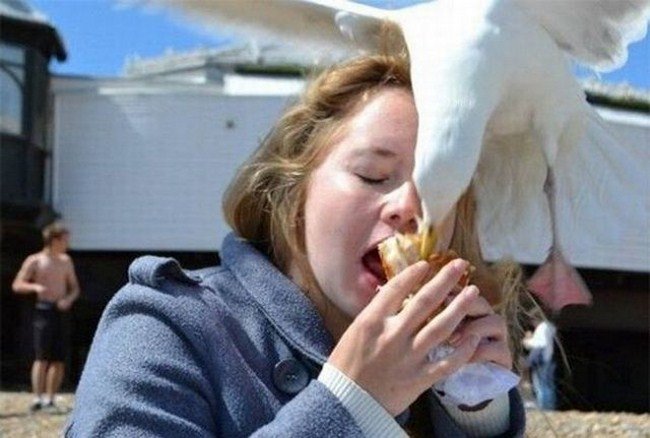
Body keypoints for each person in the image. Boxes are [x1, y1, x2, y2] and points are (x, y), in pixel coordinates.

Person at [66, 49, 528, 436]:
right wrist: (351, 403)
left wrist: (475, 408)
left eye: (439, 189)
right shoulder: (167, 326)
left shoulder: (442, 376)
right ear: (295, 194)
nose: (410, 206)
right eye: (372, 175)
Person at [12, 222, 81, 412]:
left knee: (59, 358)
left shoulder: (66, 261)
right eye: (65, 240)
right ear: (54, 240)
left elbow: (75, 288)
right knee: (42, 356)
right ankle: (38, 398)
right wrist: (34, 287)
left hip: (61, 310)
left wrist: (68, 299)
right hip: (43, 310)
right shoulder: (35, 260)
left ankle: (51, 398)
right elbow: (17, 284)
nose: (67, 243)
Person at [523, 318, 557, 410]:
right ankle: (550, 406)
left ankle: (544, 407)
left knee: (541, 385)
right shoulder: (550, 327)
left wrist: (526, 341)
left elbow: (539, 344)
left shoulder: (542, 328)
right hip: (550, 359)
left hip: (542, 361)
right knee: (548, 385)